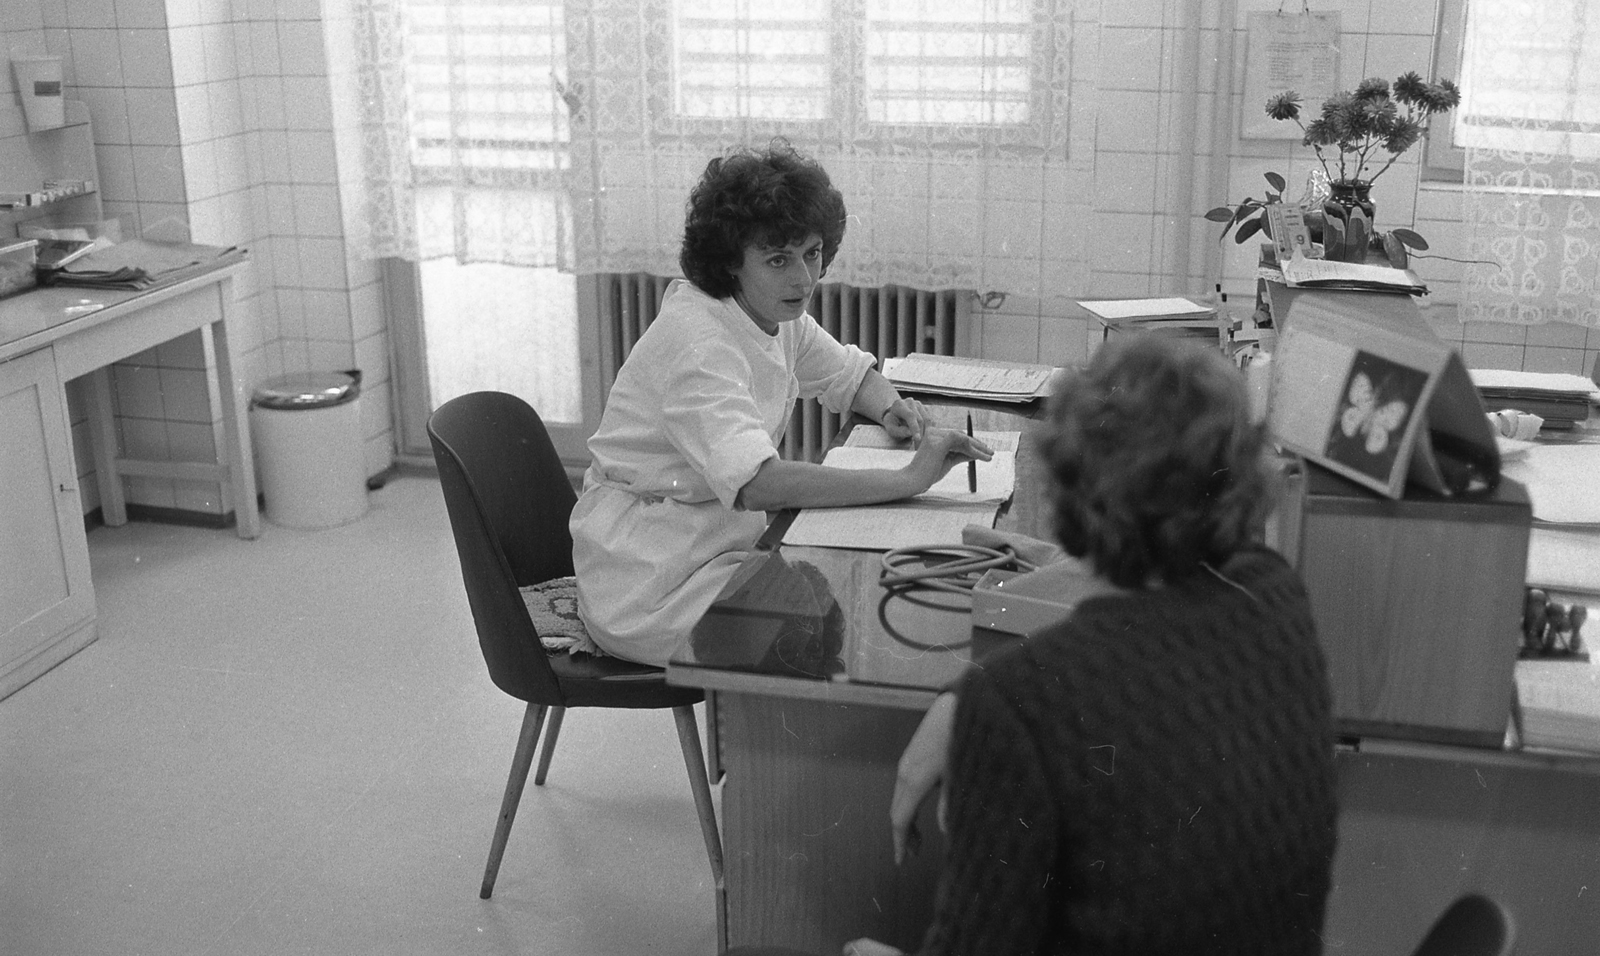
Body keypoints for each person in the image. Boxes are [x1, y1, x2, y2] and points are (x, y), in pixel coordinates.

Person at [851, 335, 1340, 956]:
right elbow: (1145, 643)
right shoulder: (1276, 594)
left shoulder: (1018, 706)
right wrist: (973, 697)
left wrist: (977, 701)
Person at [570, 140, 990, 667]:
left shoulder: (769, 312)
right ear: (730, 262)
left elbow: (847, 374)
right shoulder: (698, 345)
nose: (804, 278)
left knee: (837, 609)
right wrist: (908, 479)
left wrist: (891, 407)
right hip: (649, 576)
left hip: (712, 545)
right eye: (778, 259)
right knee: (832, 629)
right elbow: (759, 484)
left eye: (812, 253)